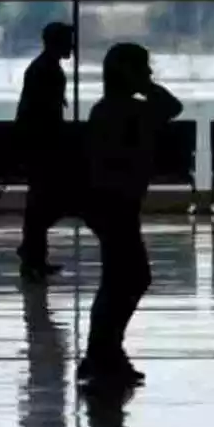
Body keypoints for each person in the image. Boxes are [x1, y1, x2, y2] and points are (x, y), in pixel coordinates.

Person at [78, 43, 183, 384]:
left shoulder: (109, 109)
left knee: (120, 279)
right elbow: (171, 107)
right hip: (116, 204)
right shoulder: (127, 111)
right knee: (128, 278)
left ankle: (103, 352)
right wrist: (145, 86)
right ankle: (102, 353)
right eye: (143, 68)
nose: (150, 74)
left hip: (111, 203)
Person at [14, 22, 75, 282]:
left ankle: (33, 253)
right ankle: (32, 253)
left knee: (41, 202)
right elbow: (44, 114)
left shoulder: (43, 68)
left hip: (39, 144)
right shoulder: (46, 71)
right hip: (43, 146)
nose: (71, 46)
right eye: (68, 41)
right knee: (44, 202)